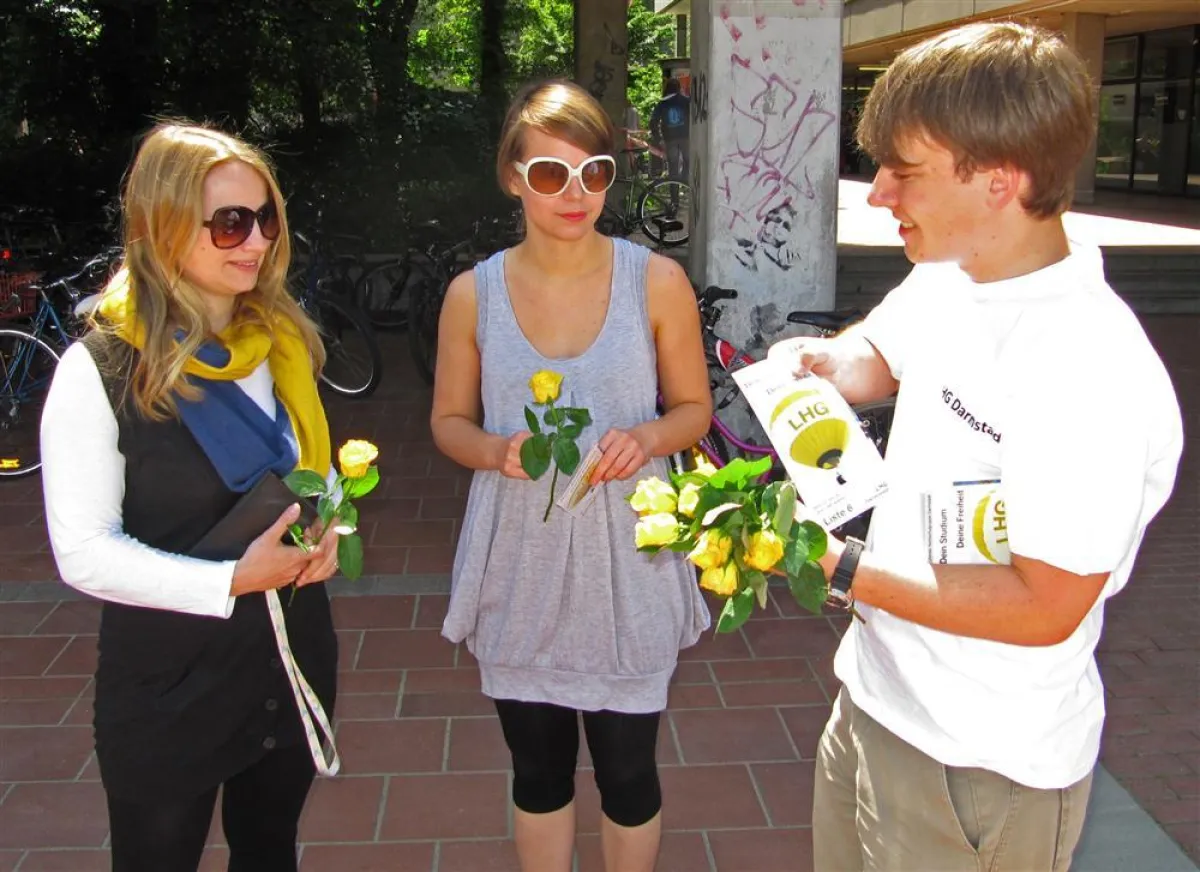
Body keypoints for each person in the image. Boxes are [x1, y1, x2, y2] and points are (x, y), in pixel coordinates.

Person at [767, 22, 1184, 872]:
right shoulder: (955, 273)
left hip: (982, 764)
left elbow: (1044, 605)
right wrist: (824, 366)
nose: (878, 192)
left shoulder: (1084, 364)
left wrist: (835, 566)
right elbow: (880, 357)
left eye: (905, 171)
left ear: (1000, 181)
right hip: (875, 702)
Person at [40, 122, 340, 872]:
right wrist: (233, 579)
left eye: (266, 217)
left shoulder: (280, 343)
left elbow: (313, 474)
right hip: (169, 678)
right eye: (230, 222)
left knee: (269, 850)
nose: (256, 241)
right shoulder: (103, 369)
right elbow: (83, 552)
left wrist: (332, 523)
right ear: (161, 225)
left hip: (287, 654)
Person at [432, 79, 712, 872]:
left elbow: (693, 407)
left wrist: (649, 435)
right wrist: (496, 451)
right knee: (539, 770)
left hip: (630, 561)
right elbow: (448, 423)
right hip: (520, 563)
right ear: (512, 177)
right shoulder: (471, 295)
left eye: (594, 172)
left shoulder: (655, 282)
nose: (575, 193)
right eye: (551, 174)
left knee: (628, 772)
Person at [649, 77, 690, 185]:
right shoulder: (685, 101)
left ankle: (674, 199)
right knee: (688, 162)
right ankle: (685, 183)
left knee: (673, 169)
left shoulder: (662, 103)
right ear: (678, 88)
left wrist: (658, 139)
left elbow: (653, 122)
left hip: (670, 139)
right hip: (685, 137)